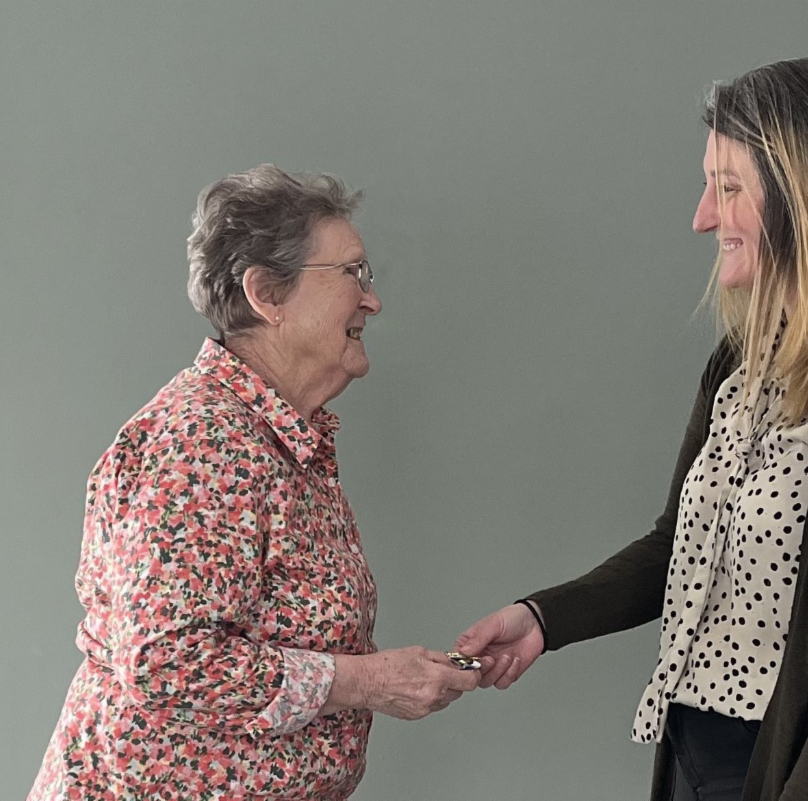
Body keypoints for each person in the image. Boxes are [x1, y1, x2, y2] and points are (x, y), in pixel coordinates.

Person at [456, 57, 808, 801]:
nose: (703, 217)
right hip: (697, 759)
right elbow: (678, 546)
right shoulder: (745, 359)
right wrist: (544, 619)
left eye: (729, 187)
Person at [29, 165, 479, 801]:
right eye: (353, 273)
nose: (371, 300)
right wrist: (370, 682)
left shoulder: (277, 437)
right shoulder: (203, 442)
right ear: (268, 293)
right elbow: (168, 661)